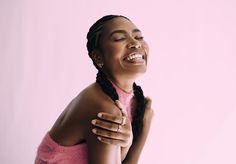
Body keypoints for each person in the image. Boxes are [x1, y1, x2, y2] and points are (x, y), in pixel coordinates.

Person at [35, 15, 154, 164]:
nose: (135, 43)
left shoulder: (136, 104)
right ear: (98, 58)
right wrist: (131, 142)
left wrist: (141, 131)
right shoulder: (104, 108)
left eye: (138, 36)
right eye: (119, 38)